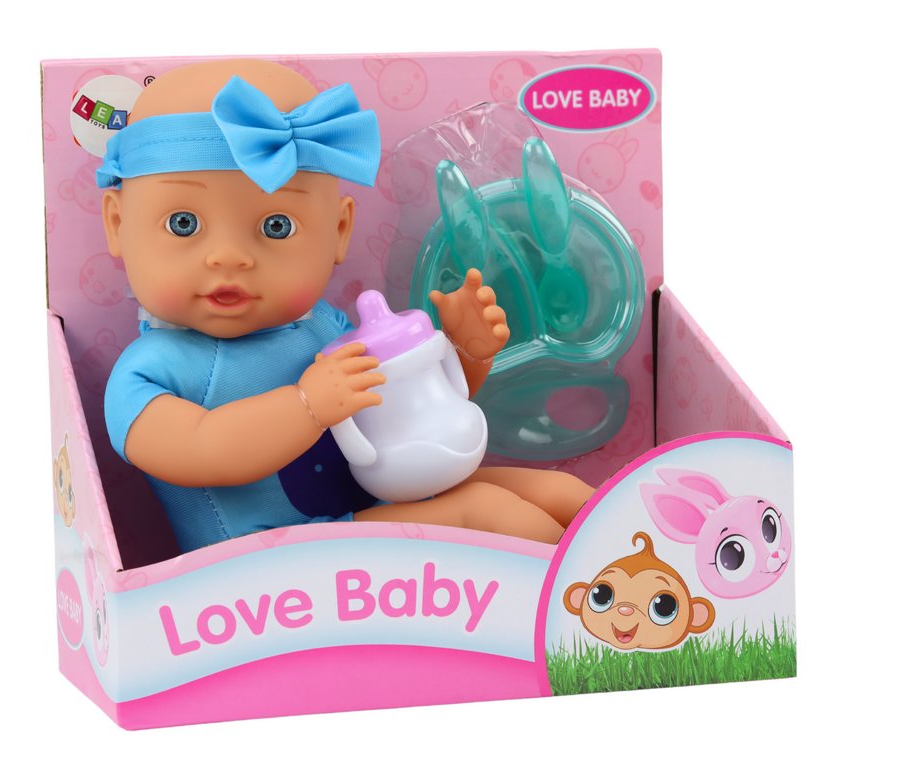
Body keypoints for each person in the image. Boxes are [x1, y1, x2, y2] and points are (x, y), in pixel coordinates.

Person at [99, 59, 592, 552]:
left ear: (339, 231)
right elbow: (203, 449)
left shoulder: (323, 328)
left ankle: (628, 563)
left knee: (553, 491)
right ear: (118, 225)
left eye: (276, 227)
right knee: (489, 513)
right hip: (270, 560)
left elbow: (403, 410)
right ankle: (589, 595)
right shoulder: (146, 375)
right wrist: (307, 405)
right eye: (183, 224)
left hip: (370, 510)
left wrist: (463, 353)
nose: (229, 257)